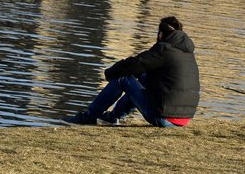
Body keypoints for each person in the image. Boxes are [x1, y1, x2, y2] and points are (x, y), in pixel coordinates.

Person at [63, 15, 200, 126]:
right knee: (144, 77)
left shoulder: (164, 49)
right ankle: (112, 117)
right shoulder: (187, 52)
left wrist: (110, 73)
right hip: (183, 119)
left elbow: (135, 63)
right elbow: (143, 68)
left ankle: (90, 116)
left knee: (122, 77)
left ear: (160, 34)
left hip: (163, 117)